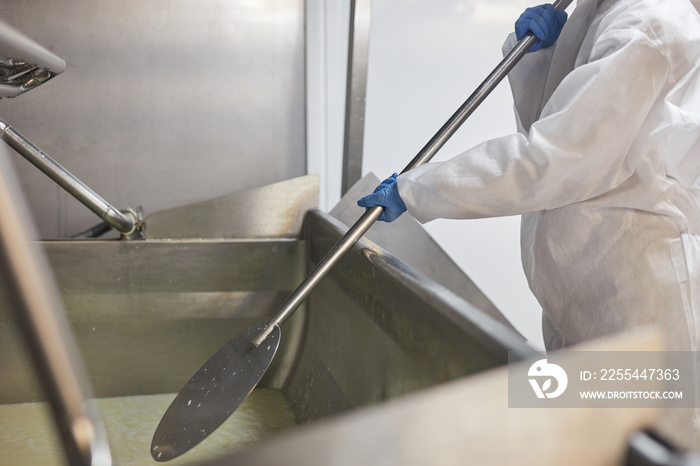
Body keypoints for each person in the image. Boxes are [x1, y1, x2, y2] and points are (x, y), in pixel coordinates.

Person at [359, 0, 700, 449]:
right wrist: (540, 60)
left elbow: (555, 160)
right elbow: (557, 124)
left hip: (635, 302)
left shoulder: (648, 24)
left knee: (656, 448)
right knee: (582, 446)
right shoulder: (602, 12)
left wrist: (417, 188)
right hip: (579, 293)